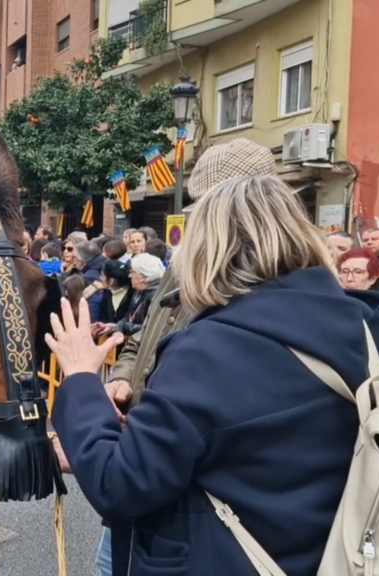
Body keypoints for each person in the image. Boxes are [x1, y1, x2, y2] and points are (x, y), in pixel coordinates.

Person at [46, 174, 379, 575]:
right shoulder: (367, 326)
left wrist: (80, 380)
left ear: (207, 248)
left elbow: (120, 483)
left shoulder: (211, 349)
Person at [95, 137, 280, 574]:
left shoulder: (263, 291)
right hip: (141, 465)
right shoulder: (185, 269)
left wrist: (82, 396)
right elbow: (145, 336)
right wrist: (123, 376)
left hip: (191, 507)